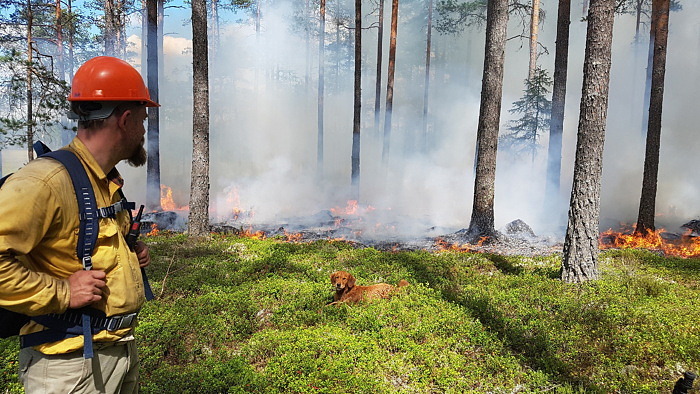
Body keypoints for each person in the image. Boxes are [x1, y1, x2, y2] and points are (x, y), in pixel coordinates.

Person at [0, 56, 158, 393]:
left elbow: (78, 245)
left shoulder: (102, 181)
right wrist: (62, 292)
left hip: (116, 352)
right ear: (125, 119)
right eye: (143, 121)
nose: (144, 132)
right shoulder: (45, 182)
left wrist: (129, 252)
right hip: (69, 368)